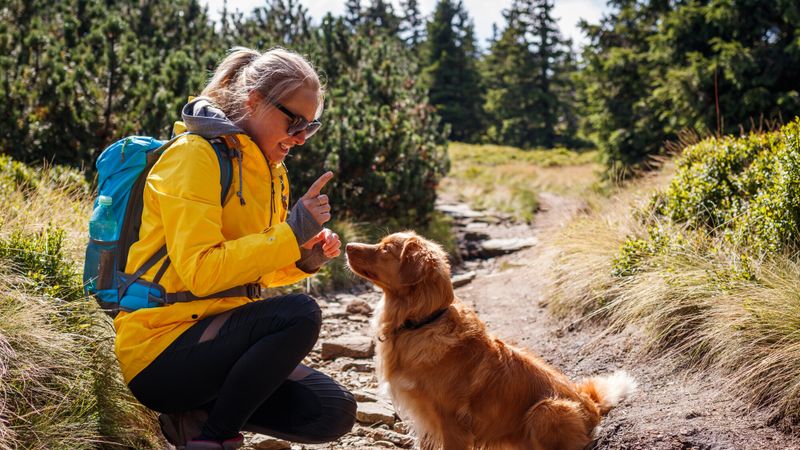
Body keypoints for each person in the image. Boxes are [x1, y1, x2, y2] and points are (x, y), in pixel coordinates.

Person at [114, 46, 357, 450]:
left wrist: (303, 258)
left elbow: (248, 272)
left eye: (310, 127)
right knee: (300, 314)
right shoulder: (194, 157)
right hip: (161, 350)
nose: (300, 138)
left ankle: (195, 415)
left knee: (332, 410)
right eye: (295, 121)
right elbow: (202, 272)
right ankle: (214, 440)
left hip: (218, 342)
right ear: (254, 101)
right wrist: (291, 232)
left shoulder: (271, 172)